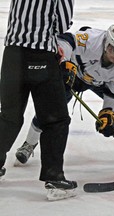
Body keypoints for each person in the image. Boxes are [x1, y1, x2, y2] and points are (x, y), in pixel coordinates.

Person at [14, 24, 114, 165]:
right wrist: (64, 63)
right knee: (51, 108)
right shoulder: (90, 39)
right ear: (106, 42)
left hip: (102, 82)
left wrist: (108, 113)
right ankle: (29, 144)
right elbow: (64, 41)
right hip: (74, 74)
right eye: (112, 49)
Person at [0, 0, 77, 200]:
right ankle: (55, 178)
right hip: (41, 56)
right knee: (56, 120)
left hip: (11, 55)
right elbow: (62, 24)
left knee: (9, 116)